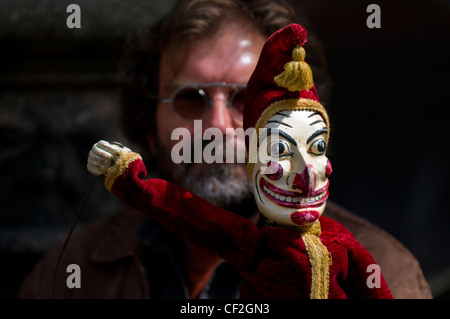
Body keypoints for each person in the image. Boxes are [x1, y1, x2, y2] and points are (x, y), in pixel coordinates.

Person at [19, 0, 431, 299]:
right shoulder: (72, 275)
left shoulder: (385, 268)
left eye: (242, 100)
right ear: (148, 125)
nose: (217, 126)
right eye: (191, 98)